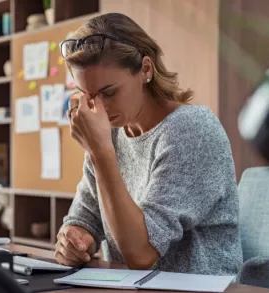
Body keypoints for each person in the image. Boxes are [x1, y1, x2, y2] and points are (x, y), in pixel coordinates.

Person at [55, 12, 243, 275]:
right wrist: (73, 239)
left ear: (145, 69)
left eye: (108, 92)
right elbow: (85, 217)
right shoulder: (110, 134)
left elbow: (141, 253)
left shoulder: (191, 130)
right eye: (87, 94)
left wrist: (99, 153)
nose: (98, 107)